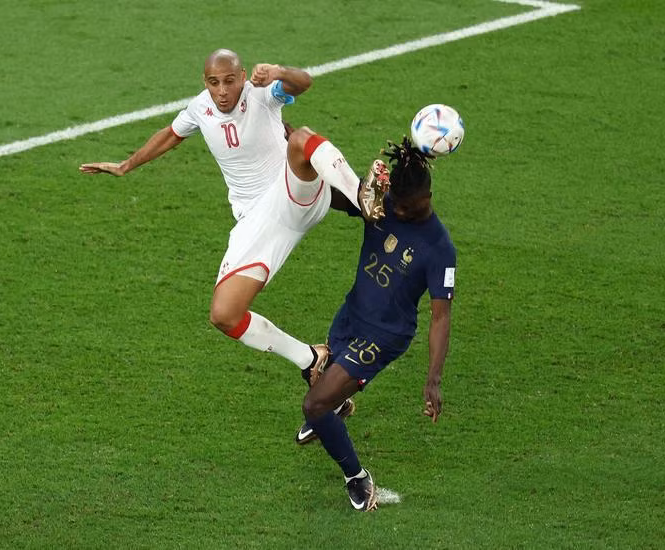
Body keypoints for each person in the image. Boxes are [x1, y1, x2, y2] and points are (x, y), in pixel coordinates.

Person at [79, 48, 389, 378]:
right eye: (214, 83)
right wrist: (127, 165)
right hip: (256, 220)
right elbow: (171, 134)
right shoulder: (200, 108)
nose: (223, 91)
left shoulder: (261, 94)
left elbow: (304, 82)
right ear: (205, 82)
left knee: (300, 138)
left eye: (229, 81)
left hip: (291, 192)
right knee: (224, 314)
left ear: (242, 77)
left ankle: (361, 197)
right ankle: (311, 359)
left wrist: (279, 71)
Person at [295, 137, 457, 511]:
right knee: (316, 375)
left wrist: (433, 379)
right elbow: (338, 201)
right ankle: (336, 411)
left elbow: (441, 316)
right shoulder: (383, 205)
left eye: (406, 208)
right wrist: (317, 181)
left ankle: (357, 477)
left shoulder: (439, 248)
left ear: (426, 198)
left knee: (314, 405)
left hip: (383, 335)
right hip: (350, 314)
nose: (397, 213)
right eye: (394, 205)